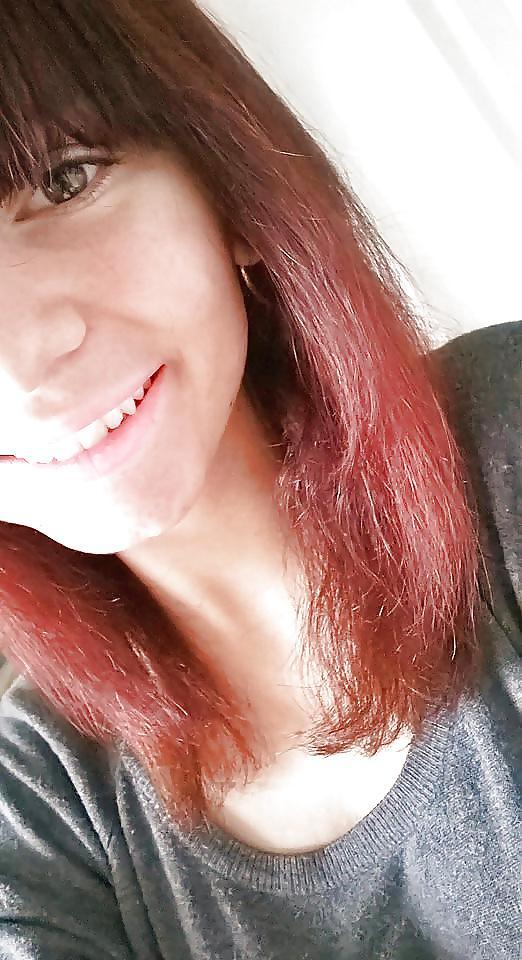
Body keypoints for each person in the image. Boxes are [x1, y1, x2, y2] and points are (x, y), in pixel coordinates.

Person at [0, 1, 519, 957]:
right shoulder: (36, 800)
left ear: (225, 187)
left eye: (65, 179)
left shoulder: (506, 435)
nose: (22, 365)